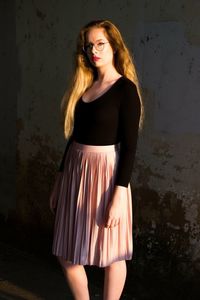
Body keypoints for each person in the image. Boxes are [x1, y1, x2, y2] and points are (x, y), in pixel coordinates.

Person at [50, 19, 143, 300]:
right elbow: (74, 138)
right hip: (76, 174)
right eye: (89, 45)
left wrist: (119, 193)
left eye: (100, 43)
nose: (94, 50)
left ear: (114, 46)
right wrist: (59, 179)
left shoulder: (125, 90)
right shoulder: (85, 88)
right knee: (67, 252)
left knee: (112, 252)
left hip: (106, 176)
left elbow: (130, 147)